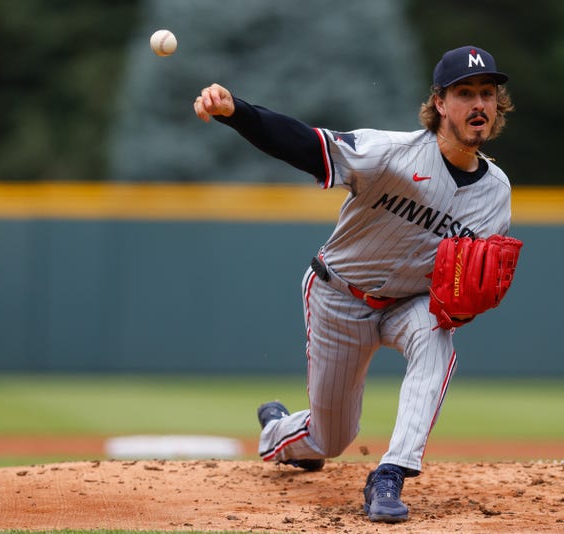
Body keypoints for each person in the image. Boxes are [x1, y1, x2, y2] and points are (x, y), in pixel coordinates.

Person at [194, 45, 515, 523]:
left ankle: (390, 473)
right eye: (464, 92)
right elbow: (306, 144)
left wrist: (464, 304)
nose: (479, 104)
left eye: (487, 93)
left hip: (410, 304)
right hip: (340, 296)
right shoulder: (390, 154)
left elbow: (467, 278)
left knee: (438, 342)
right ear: (440, 103)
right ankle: (281, 430)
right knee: (330, 438)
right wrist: (236, 111)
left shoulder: (497, 193)